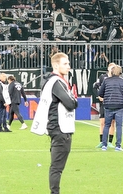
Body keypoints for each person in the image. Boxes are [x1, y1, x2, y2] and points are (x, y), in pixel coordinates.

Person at [31, 52, 77, 194]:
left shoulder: (52, 81)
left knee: (56, 167)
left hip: (56, 128)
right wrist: (74, 99)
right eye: (65, 63)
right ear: (56, 65)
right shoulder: (56, 82)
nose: (68, 66)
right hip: (60, 128)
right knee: (57, 167)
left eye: (68, 63)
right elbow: (71, 103)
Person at [98, 64, 123, 151]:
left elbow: (100, 93)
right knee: (119, 126)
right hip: (119, 106)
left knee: (106, 125)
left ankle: (104, 145)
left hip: (108, 105)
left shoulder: (106, 81)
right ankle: (118, 146)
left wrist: (107, 97)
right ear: (120, 73)